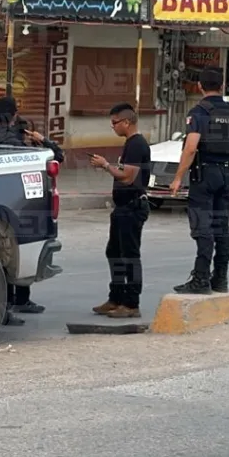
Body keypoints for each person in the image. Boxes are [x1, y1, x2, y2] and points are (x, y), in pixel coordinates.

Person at [0, 97, 63, 320]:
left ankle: (18, 301)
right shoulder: (16, 142)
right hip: (14, 206)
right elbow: (58, 157)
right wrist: (43, 141)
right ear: (13, 114)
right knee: (11, 254)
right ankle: (7, 308)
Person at [168, 67, 229, 295]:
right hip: (225, 174)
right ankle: (220, 278)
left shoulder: (200, 112)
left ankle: (201, 279)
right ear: (222, 86)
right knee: (222, 227)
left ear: (200, 86)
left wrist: (177, 178)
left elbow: (191, 148)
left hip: (204, 176)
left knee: (202, 228)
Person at [89, 103, 151, 318]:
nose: (113, 127)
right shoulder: (130, 144)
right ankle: (115, 297)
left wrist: (106, 165)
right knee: (114, 252)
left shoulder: (137, 144)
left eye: (115, 123)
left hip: (133, 207)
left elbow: (128, 176)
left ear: (126, 122)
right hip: (122, 208)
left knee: (129, 256)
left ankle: (131, 303)